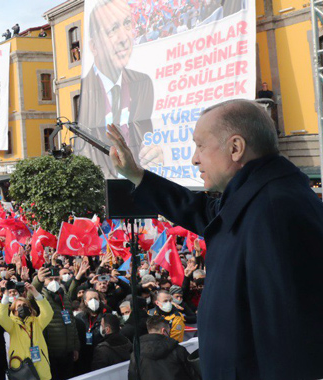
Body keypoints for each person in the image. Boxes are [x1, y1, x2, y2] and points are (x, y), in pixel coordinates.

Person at [107, 99, 323, 379]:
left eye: (200, 145)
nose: (195, 158)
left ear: (235, 148)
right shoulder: (257, 197)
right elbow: (201, 211)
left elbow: (287, 335)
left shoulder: (274, 211)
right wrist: (138, 176)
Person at [78, 0, 155, 177]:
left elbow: (147, 137)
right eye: (112, 30)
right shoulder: (86, 93)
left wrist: (156, 152)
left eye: (127, 24)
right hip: (107, 184)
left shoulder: (143, 83)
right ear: (93, 47)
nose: (123, 38)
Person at [0, 283, 54, 380]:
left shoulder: (37, 322)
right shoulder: (12, 325)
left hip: (40, 367)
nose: (22, 308)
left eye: (25, 305)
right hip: (22, 369)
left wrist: (35, 293)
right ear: (14, 311)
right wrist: (5, 296)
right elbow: (1, 317)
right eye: (18, 306)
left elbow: (48, 312)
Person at [34, 270, 79, 380]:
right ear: (44, 281)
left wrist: (75, 347)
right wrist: (38, 281)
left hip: (67, 352)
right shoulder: (40, 296)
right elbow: (31, 296)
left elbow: (72, 323)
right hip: (50, 353)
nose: (54, 282)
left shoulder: (64, 296)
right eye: (50, 279)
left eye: (56, 279)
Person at [127, 316, 198, 380]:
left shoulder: (136, 355)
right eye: (169, 331)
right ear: (163, 331)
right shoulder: (177, 350)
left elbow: (132, 377)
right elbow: (193, 374)